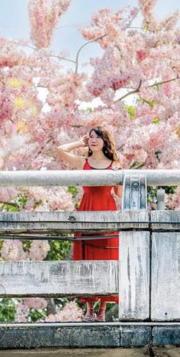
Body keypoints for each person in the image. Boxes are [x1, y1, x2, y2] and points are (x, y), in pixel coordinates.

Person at [56, 126, 122, 321]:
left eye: (97, 137)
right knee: (86, 257)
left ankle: (102, 310)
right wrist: (80, 142)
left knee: (106, 257)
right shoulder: (83, 162)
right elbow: (60, 150)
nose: (93, 140)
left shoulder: (114, 165)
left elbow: (119, 193)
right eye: (91, 137)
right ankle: (90, 309)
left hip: (107, 211)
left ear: (105, 141)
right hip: (86, 209)